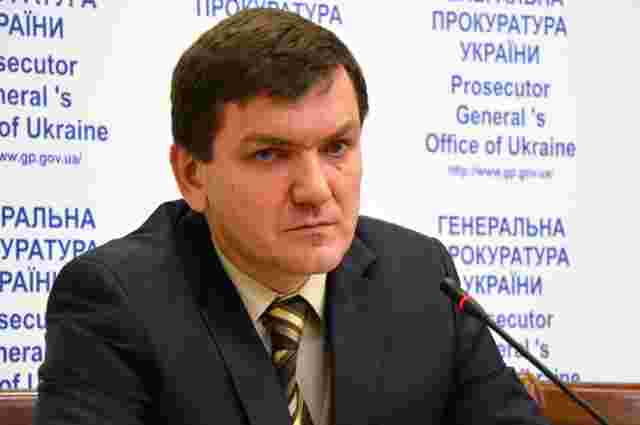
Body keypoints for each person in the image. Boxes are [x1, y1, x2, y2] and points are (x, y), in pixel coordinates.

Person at [35, 7, 549, 425]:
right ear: (192, 175)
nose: (315, 190)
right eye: (270, 155)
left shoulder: (420, 279)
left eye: (336, 147)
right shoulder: (120, 300)